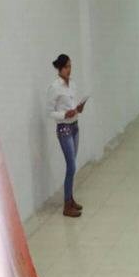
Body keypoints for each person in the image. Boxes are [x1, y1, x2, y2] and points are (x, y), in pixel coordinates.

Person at [47, 54, 87, 217]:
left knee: (72, 165)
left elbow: (72, 104)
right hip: (64, 129)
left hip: (75, 126)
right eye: (66, 67)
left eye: (70, 66)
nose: (69, 69)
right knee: (71, 166)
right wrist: (64, 114)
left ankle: (70, 199)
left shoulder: (73, 84)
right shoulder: (54, 87)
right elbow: (49, 112)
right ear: (60, 68)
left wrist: (78, 109)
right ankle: (66, 205)